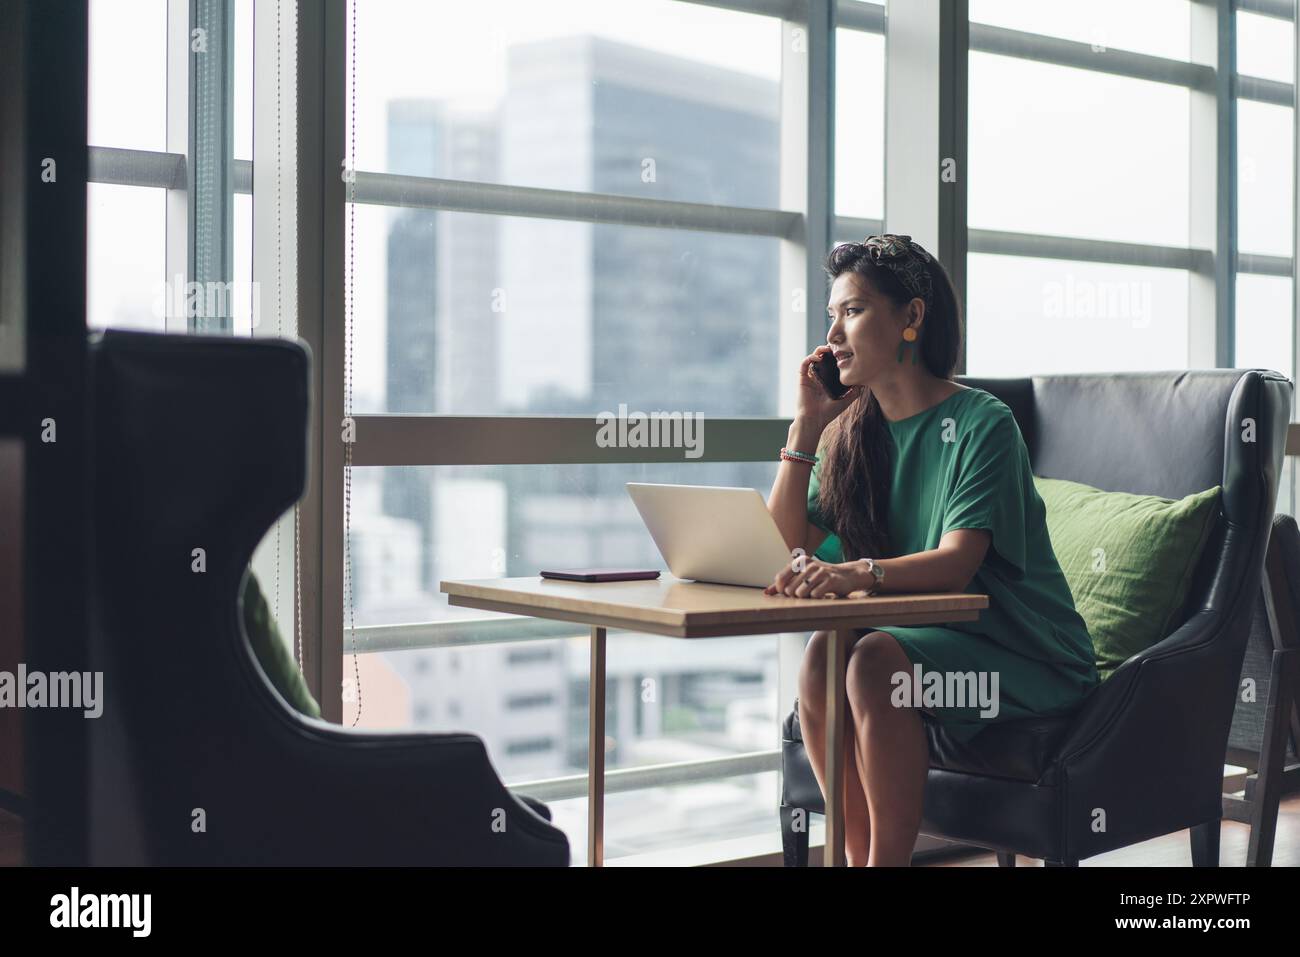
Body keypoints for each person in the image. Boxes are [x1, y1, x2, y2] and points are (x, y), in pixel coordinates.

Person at [764, 234, 1099, 866]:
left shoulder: (982, 423)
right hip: (924, 651)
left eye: (854, 311)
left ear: (912, 318)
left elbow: (957, 562)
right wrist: (805, 427)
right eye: (831, 315)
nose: (834, 332)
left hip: (1025, 662)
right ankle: (853, 858)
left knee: (871, 664)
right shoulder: (849, 436)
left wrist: (851, 574)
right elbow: (781, 548)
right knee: (821, 656)